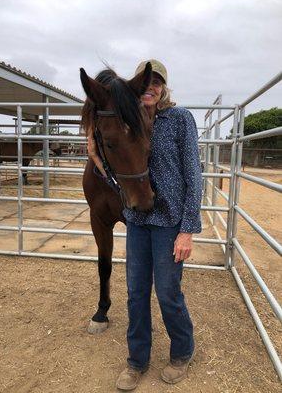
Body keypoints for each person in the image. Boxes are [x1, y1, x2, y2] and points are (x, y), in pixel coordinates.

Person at [115, 59, 202, 391]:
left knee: (167, 293)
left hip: (169, 223)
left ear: (164, 87)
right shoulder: (129, 120)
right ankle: (137, 361)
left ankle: (182, 351)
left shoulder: (179, 120)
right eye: (144, 82)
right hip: (137, 220)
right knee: (136, 293)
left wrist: (187, 229)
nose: (150, 87)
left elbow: (193, 176)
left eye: (157, 82)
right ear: (136, 87)